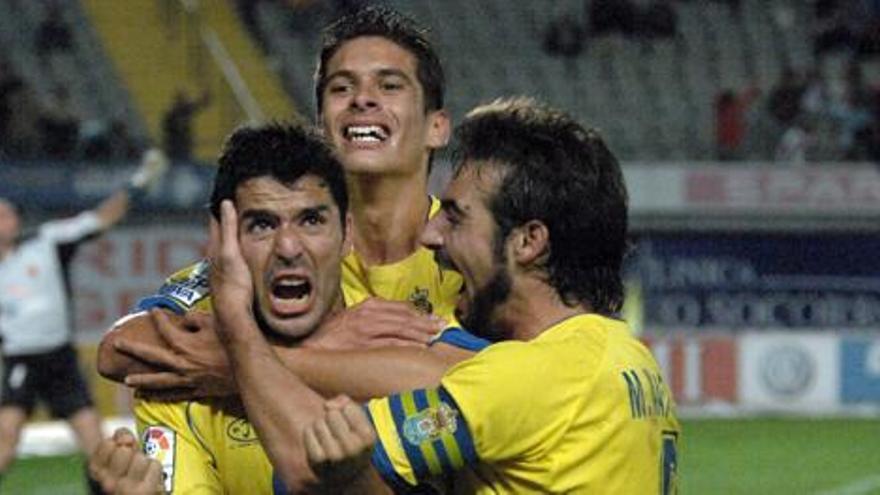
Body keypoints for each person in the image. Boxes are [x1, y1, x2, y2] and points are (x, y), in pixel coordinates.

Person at [210, 97, 681, 493]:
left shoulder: (532, 377)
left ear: (528, 241)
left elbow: (308, 461)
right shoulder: (630, 362)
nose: (432, 233)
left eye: (455, 216)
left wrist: (235, 327)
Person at [90, 121, 487, 494]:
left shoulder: (393, 323)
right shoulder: (180, 376)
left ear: (347, 232)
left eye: (311, 221)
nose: (289, 248)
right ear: (222, 240)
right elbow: (118, 349)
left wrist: (251, 361)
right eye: (262, 225)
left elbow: (486, 388)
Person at [0, 148, 167, 490]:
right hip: (21, 360)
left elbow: (101, 218)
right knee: (6, 439)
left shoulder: (46, 243)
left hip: (59, 357)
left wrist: (138, 184)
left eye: (7, 213)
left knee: (94, 442)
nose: (6, 218)